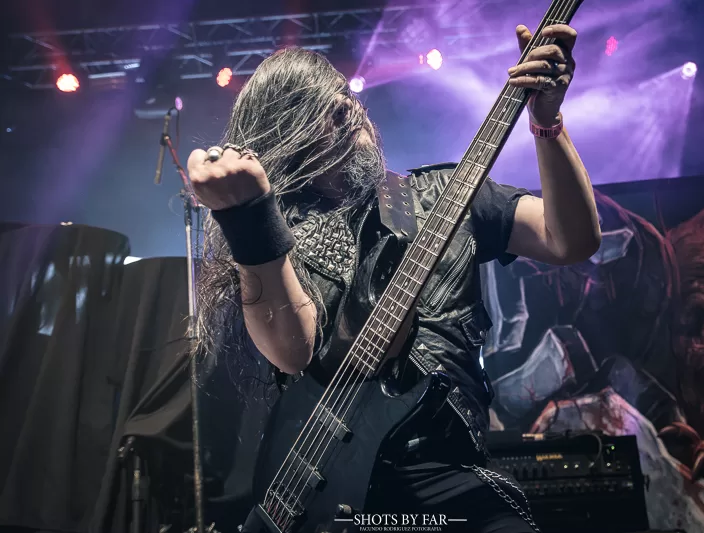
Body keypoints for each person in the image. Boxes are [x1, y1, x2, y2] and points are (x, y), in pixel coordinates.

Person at [188, 23, 600, 533]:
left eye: (345, 95)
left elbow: (570, 241)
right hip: (324, 488)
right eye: (324, 107)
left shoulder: (444, 192)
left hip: (445, 474)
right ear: (287, 133)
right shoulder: (278, 241)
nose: (349, 108)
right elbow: (294, 350)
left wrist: (547, 122)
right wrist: (249, 220)